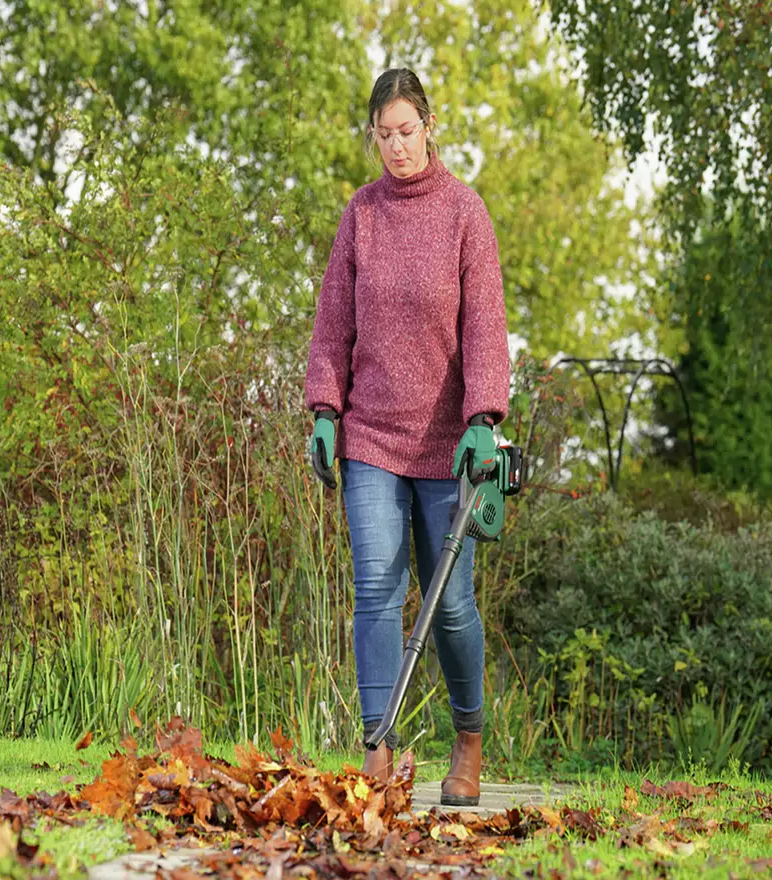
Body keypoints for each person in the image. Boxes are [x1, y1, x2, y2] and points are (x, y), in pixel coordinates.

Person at [302, 68, 510, 806]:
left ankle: (469, 738)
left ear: (429, 127)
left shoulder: (464, 213)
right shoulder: (360, 216)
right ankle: (377, 753)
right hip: (372, 439)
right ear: (373, 136)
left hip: (449, 445)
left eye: (406, 131)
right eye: (382, 134)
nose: (395, 146)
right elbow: (334, 322)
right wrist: (325, 408)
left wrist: (485, 420)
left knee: (451, 606)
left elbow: (485, 325)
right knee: (376, 595)